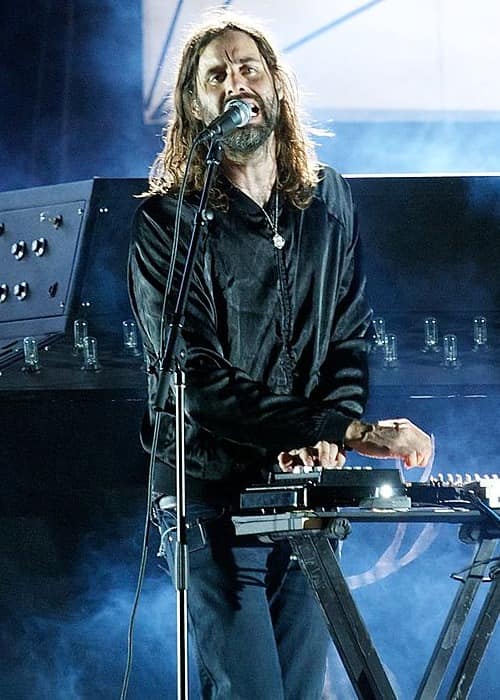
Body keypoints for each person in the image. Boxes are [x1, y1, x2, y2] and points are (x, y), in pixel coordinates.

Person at [128, 13, 432, 700]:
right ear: (193, 106)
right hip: (211, 504)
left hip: (304, 505)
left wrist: (332, 432)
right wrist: (336, 429)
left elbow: (347, 340)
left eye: (248, 68)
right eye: (216, 75)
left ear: (276, 89)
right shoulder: (167, 221)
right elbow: (195, 380)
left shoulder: (328, 201)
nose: (236, 82)